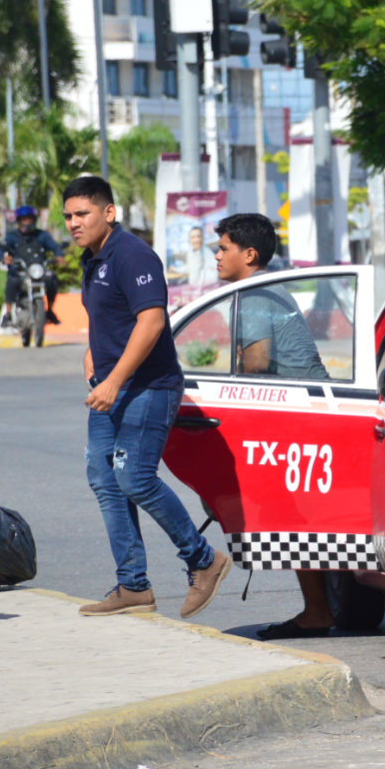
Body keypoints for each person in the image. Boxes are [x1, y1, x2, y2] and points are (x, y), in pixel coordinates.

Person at [64, 176, 231, 618]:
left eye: (82, 214)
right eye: (68, 216)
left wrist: (115, 379)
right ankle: (133, 585)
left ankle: (204, 560)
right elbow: (111, 318)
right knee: (104, 479)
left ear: (109, 213)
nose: (74, 223)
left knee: (134, 478)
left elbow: (152, 322)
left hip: (148, 386)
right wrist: (91, 352)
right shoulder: (93, 258)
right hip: (111, 385)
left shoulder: (133, 254)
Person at [212, 213, 333, 640]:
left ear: (249, 254)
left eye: (223, 248)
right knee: (299, 514)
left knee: (291, 515)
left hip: (300, 416)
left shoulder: (255, 296)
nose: (217, 255)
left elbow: (257, 364)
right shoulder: (262, 291)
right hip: (310, 411)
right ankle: (320, 606)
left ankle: (318, 610)